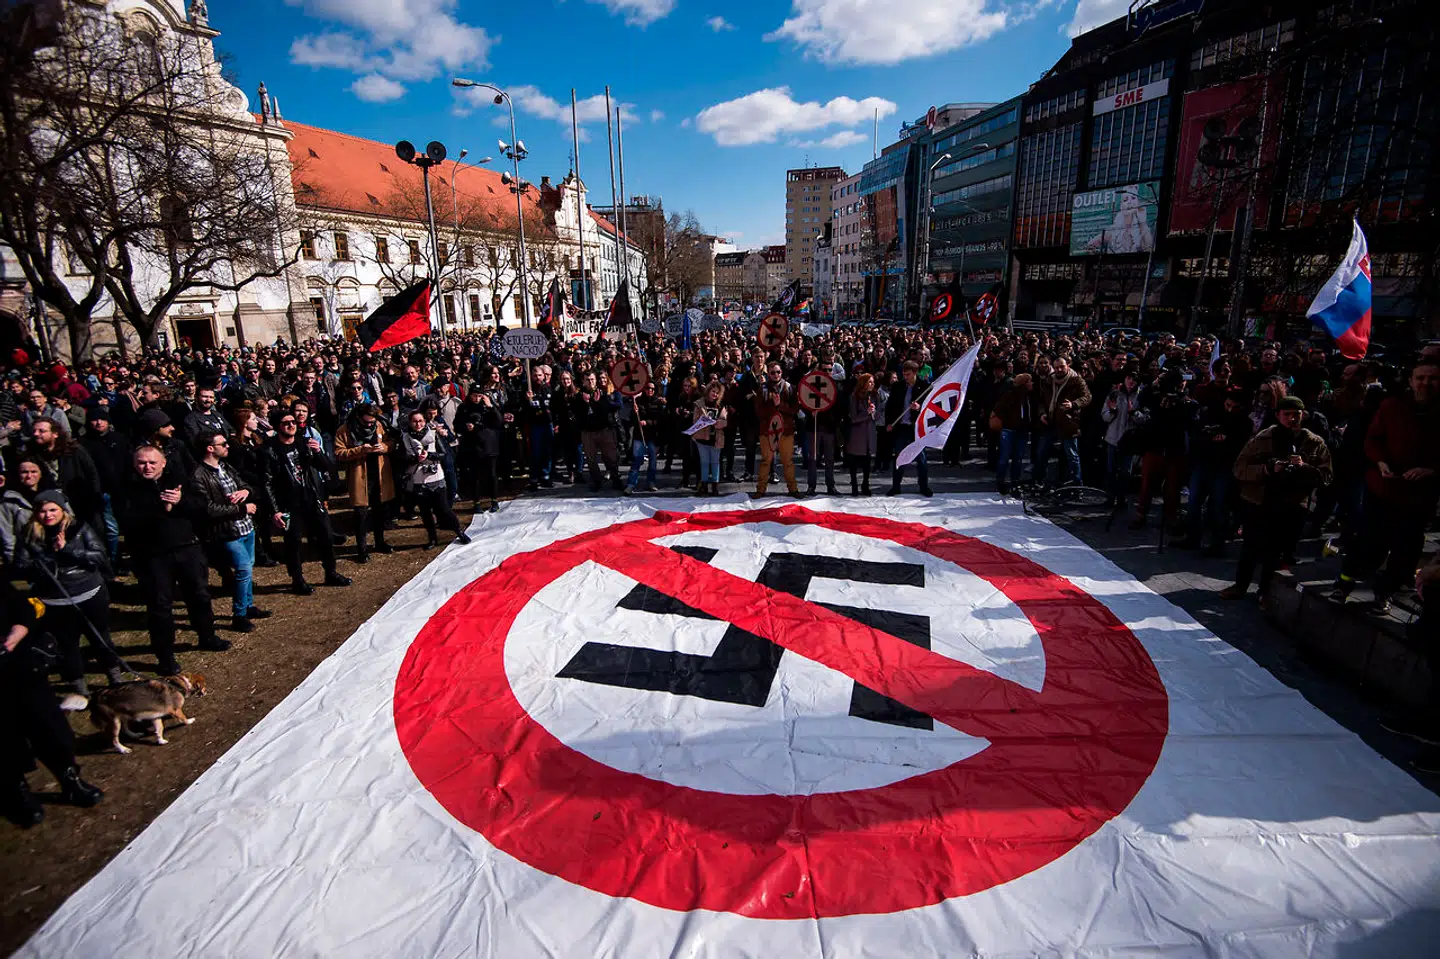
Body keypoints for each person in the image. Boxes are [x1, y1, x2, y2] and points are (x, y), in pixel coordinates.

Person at [1331, 360, 1440, 613]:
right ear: (1411, 381)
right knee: (1370, 539)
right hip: (1383, 488)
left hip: (1419, 496)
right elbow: (1372, 439)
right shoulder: (1392, 406)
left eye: (1432, 378)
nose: (1426, 384)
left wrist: (1431, 470)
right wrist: (1380, 462)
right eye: (1420, 378)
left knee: (1406, 546)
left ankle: (1385, 593)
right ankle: (1344, 583)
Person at [0, 580, 104, 828]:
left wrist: (19, 630)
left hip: (22, 667)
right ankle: (18, 794)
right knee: (4, 742)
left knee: (51, 729)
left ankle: (70, 780)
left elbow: (22, 607)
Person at [124, 445, 229, 673]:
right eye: (142, 463)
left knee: (199, 596)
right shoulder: (128, 489)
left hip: (187, 549)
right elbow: (129, 522)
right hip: (153, 556)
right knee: (160, 607)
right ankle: (165, 657)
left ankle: (207, 636)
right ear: (135, 465)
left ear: (163, 463)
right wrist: (162, 508)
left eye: (152, 462)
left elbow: (202, 507)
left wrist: (181, 501)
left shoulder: (180, 481)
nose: (147, 467)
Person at [1220, 397, 1333, 606]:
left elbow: (1326, 477)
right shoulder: (1263, 438)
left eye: (1296, 415)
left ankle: (1266, 591)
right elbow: (1239, 469)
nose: (1291, 419)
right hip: (1260, 501)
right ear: (1278, 415)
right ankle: (1240, 585)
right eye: (1287, 414)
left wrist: (1305, 467)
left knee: (1276, 553)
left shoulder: (1314, 443)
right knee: (1250, 548)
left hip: (1292, 505)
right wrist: (1266, 469)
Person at [13, 490, 125, 693]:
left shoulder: (79, 528)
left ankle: (115, 679)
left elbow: (99, 556)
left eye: (52, 510)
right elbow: (20, 567)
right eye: (42, 511)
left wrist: (67, 550)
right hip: (55, 600)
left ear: (62, 510)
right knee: (68, 645)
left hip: (88, 593)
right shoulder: (28, 535)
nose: (48, 515)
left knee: (100, 638)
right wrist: (48, 559)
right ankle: (80, 688)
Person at [190, 430, 271, 632]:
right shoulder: (198, 476)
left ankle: (249, 605)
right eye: (223, 444)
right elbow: (207, 509)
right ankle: (239, 614)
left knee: (248, 568)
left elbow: (245, 485)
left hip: (246, 527)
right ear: (210, 448)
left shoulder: (225, 467)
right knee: (243, 569)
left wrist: (245, 492)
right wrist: (242, 508)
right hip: (228, 531)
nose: (228, 446)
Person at [263, 412, 352, 594]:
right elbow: (267, 482)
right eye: (285, 422)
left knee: (326, 536)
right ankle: (297, 580)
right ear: (277, 426)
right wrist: (275, 510)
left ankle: (331, 572)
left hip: (312, 497)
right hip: (288, 502)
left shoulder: (304, 443)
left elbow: (326, 467)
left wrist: (318, 452)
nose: (291, 425)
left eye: (293, 422)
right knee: (293, 542)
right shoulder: (270, 450)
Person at [398, 410, 472, 549]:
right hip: (418, 480)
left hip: (436, 478)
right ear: (410, 422)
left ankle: (459, 532)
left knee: (444, 509)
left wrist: (430, 456)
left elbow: (444, 454)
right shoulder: (405, 438)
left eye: (420, 421)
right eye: (414, 421)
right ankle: (432, 539)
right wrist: (415, 458)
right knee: (425, 512)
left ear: (425, 421)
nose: (418, 424)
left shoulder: (433, 433)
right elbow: (401, 458)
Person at [333, 404, 396, 562]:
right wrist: (361, 450)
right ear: (359, 418)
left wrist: (384, 447)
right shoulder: (345, 430)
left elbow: (391, 442)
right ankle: (362, 549)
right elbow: (339, 453)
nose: (370, 425)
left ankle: (380, 542)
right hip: (360, 477)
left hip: (379, 476)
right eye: (366, 422)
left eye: (372, 422)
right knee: (361, 516)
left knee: (379, 512)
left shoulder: (380, 425)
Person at [884, 361, 933, 497]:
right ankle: (896, 486)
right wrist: (889, 422)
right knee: (900, 457)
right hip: (901, 427)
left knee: (921, 459)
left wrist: (919, 408)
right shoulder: (898, 387)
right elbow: (890, 406)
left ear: (915, 373)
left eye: (908, 374)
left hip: (916, 428)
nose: (905, 377)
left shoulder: (924, 387)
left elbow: (929, 408)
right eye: (904, 374)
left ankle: (924, 487)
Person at [754, 361, 800, 497]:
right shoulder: (762, 389)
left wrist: (780, 406)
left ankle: (793, 489)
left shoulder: (790, 387)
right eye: (772, 372)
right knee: (765, 461)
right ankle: (760, 489)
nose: (776, 375)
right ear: (768, 374)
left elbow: (795, 409)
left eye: (778, 372)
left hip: (786, 431)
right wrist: (773, 406)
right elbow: (758, 411)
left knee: (788, 461)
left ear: (782, 373)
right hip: (767, 431)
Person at [572, 371, 622, 493]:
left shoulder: (602, 393)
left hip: (604, 430)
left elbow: (608, 410)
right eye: (588, 380)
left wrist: (596, 402)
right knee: (591, 458)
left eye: (593, 379)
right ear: (583, 381)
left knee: (610, 457)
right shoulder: (578, 396)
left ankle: (616, 478)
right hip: (588, 432)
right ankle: (596, 480)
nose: (591, 382)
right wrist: (585, 403)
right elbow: (577, 413)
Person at [455, 386, 502, 513]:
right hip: (472, 446)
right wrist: (466, 428)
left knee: (491, 474)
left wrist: (491, 406)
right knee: (474, 475)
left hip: (489, 445)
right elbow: (457, 425)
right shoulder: (464, 408)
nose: (477, 399)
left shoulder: (488, 407)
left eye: (480, 396)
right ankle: (476, 502)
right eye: (474, 396)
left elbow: (498, 421)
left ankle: (494, 500)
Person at [990, 373, 1034, 494]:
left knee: (1018, 458)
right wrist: (1008, 421)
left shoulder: (1030, 397)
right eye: (1029, 382)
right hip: (1009, 430)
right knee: (1004, 457)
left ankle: (1015, 481)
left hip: (1022, 431)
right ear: (1023, 384)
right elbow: (998, 409)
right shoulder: (1010, 395)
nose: (1032, 384)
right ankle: (1000, 481)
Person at [689, 380, 727, 496]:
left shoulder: (720, 406)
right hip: (702, 438)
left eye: (717, 393)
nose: (715, 394)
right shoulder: (699, 404)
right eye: (713, 391)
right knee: (704, 462)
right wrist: (704, 421)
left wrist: (717, 423)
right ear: (708, 391)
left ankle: (715, 486)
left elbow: (725, 421)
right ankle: (704, 486)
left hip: (716, 438)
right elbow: (695, 421)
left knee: (715, 462)